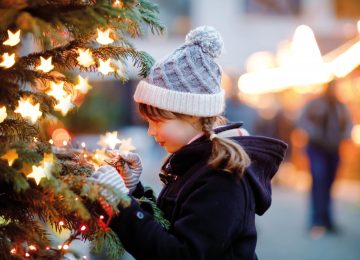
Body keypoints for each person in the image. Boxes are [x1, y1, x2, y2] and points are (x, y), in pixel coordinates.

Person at [90, 26, 287, 260]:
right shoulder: (197, 162)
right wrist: (135, 191)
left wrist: (122, 204)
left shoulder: (222, 178)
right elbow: (171, 224)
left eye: (158, 121)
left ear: (192, 114)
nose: (151, 132)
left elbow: (179, 253)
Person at [298, 80, 353, 238]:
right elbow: (302, 121)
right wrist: (316, 134)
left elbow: (348, 125)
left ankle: (327, 220)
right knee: (319, 181)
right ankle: (316, 221)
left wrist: (343, 136)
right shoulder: (315, 104)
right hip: (317, 148)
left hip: (334, 149)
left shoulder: (341, 106)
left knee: (329, 183)